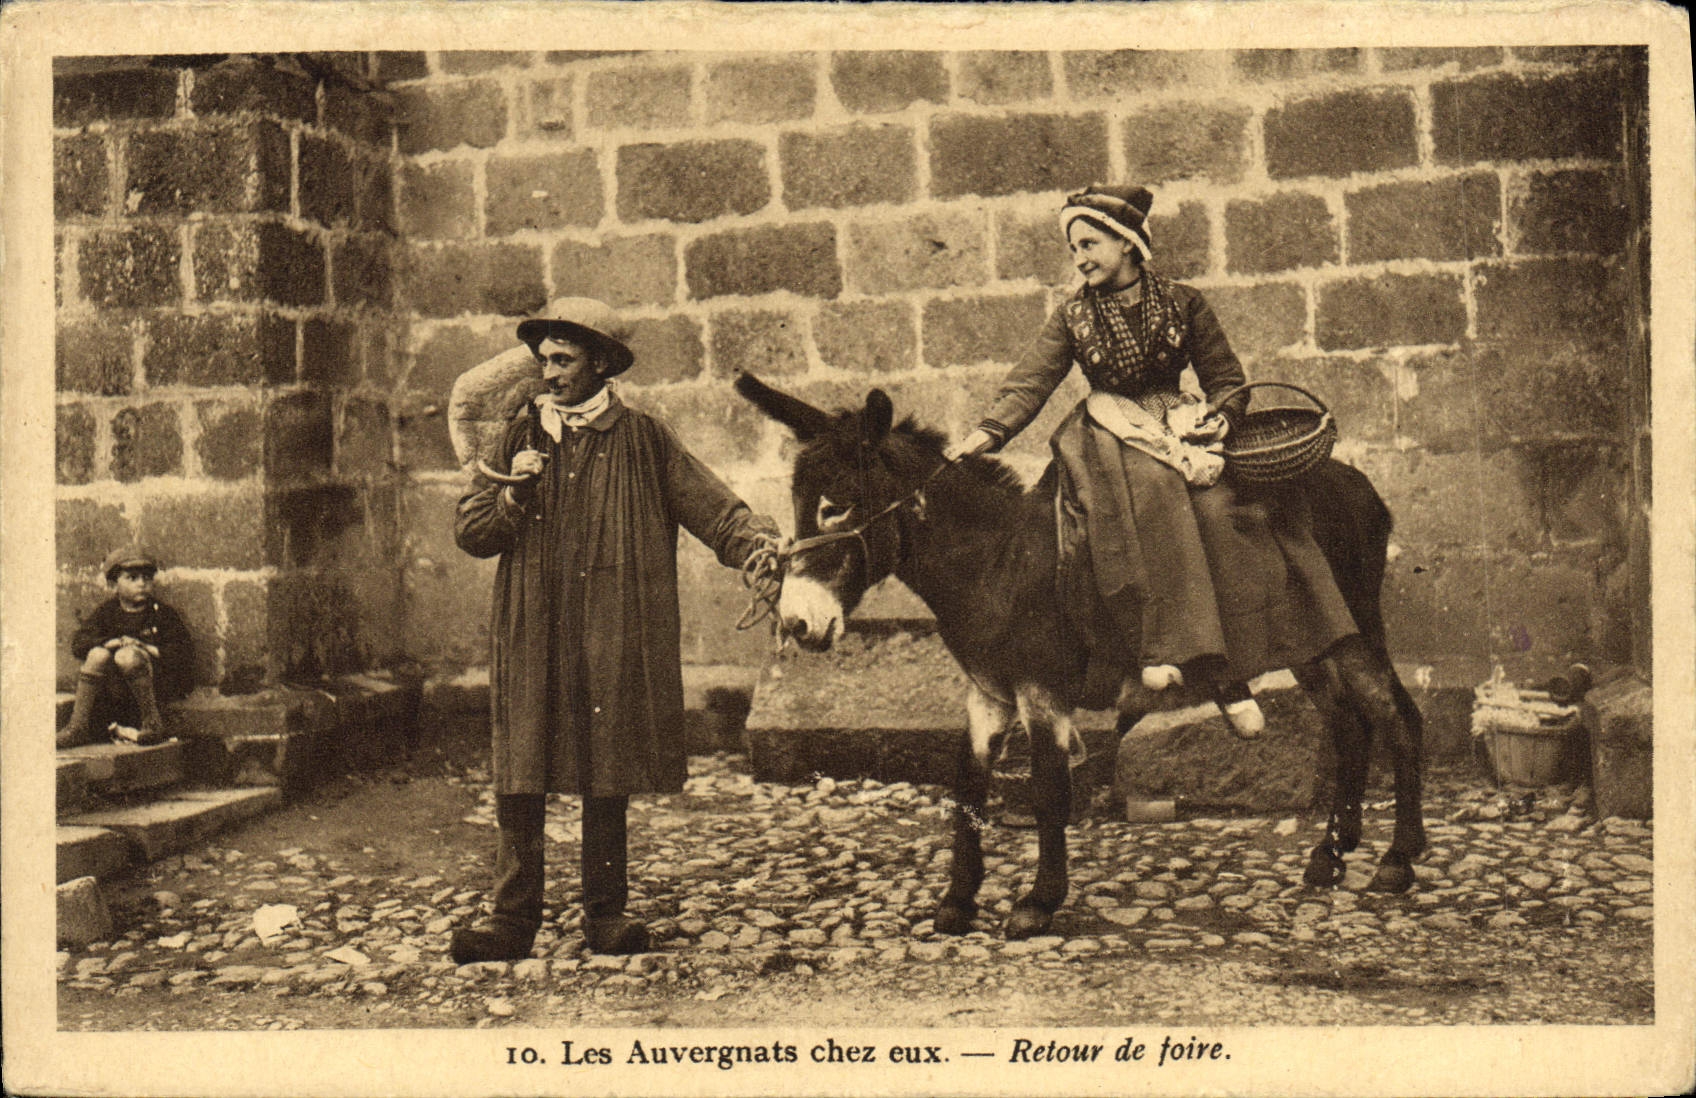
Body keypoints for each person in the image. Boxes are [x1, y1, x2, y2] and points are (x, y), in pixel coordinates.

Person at [947, 184, 1360, 737]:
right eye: (1075, 249)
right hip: (1106, 433)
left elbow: (1226, 380)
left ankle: (1228, 666)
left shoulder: (1184, 303)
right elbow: (1030, 383)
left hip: (1175, 422)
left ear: (1127, 243)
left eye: (1090, 243)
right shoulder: (1073, 317)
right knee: (1143, 494)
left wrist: (1222, 418)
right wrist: (983, 435)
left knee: (1223, 512)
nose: (1081, 258)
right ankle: (1158, 654)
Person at [452, 297, 781, 962]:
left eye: (564, 359)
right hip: (532, 625)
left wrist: (758, 549)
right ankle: (513, 917)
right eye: (542, 359)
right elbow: (472, 531)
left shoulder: (644, 438)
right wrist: (513, 493)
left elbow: (712, 508)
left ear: (601, 362)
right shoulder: (517, 435)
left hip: (610, 624)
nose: (549, 372)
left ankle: (606, 913)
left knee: (608, 763)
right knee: (523, 765)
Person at [58, 546, 193, 749]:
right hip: (116, 694)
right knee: (97, 654)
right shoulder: (107, 612)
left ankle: (153, 724)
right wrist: (108, 643)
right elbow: (79, 644)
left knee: (128, 656)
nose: (142, 584)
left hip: (154, 691)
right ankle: (78, 727)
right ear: (115, 584)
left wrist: (145, 648)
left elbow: (182, 654)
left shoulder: (162, 614)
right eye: (132, 578)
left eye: (147, 578)